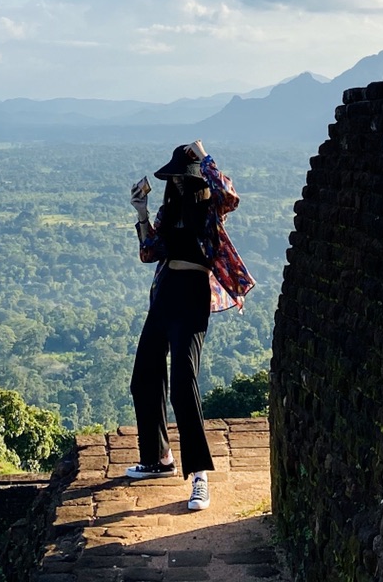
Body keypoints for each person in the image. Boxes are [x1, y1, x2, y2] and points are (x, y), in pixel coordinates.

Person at [127, 140, 254, 513]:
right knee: (144, 376)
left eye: (186, 177)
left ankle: (199, 475)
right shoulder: (169, 213)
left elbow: (229, 194)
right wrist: (141, 213)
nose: (180, 183)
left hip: (193, 295)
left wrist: (203, 155)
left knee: (183, 382)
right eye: (176, 178)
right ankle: (158, 458)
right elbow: (149, 252)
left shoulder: (212, 209)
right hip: (165, 292)